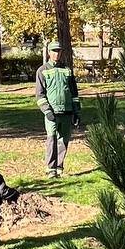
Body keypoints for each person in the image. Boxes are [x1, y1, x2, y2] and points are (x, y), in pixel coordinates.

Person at [35, 40, 81, 177]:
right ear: (49, 53)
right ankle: (51, 169)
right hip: (52, 113)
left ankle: (59, 167)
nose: (57, 54)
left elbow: (74, 94)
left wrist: (77, 112)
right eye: (54, 51)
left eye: (59, 51)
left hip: (67, 112)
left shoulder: (67, 70)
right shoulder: (42, 70)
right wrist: (47, 111)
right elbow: (39, 94)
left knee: (64, 140)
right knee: (52, 139)